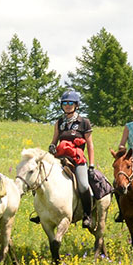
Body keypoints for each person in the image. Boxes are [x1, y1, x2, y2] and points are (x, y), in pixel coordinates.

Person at [43, 90, 95, 229]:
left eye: (70, 103)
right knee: (44, 179)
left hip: (77, 159)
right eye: (64, 103)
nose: (67, 105)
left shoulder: (84, 122)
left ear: (76, 105)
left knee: (84, 185)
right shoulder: (59, 122)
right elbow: (54, 141)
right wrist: (52, 147)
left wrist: (91, 165)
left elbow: (90, 145)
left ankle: (87, 215)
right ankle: (43, 213)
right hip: (60, 158)